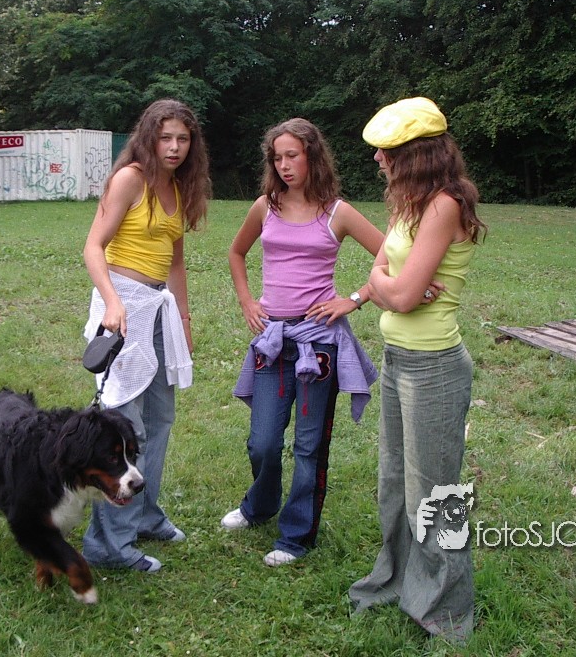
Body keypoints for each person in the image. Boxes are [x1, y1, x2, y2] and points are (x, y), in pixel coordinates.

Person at [348, 97, 487, 641]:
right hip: (398, 360)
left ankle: (446, 613)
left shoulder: (445, 205)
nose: (377, 159)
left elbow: (401, 294)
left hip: (435, 371)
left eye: (386, 151)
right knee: (394, 486)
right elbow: (381, 276)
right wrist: (394, 289)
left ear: (415, 155)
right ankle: (398, 580)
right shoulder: (407, 203)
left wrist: (395, 290)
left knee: (435, 496)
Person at [221, 117, 384, 567]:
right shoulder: (265, 207)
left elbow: (391, 255)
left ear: (312, 156)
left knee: (309, 447)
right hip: (273, 341)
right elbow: (236, 252)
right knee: (263, 441)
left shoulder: (338, 212)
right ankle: (259, 506)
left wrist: (354, 299)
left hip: (319, 346)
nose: (284, 165)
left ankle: (296, 536)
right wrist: (247, 301)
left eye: (292, 155)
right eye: (277, 157)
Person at [81, 98, 211, 573]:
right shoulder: (130, 178)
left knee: (159, 420)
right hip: (122, 310)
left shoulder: (178, 187)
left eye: (183, 139)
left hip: (158, 311)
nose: (174, 147)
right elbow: (93, 246)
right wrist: (112, 302)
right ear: (149, 138)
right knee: (123, 426)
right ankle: (108, 544)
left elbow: (175, 264)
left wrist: (185, 322)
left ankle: (146, 516)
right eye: (166, 137)